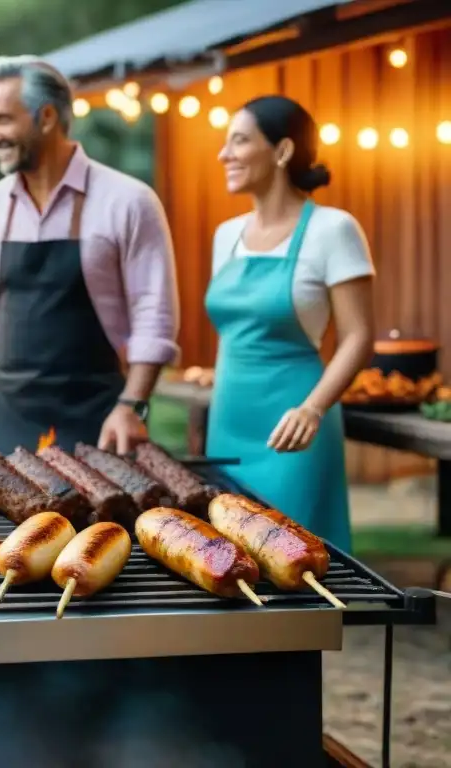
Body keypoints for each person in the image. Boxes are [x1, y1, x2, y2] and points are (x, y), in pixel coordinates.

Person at [0, 55, 180, 456]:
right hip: (9, 422)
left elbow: (154, 317)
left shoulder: (128, 201)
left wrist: (132, 406)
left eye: (3, 120)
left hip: (100, 421)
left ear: (46, 118)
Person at [206, 96, 375, 551]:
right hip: (227, 425)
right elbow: (234, 332)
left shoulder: (333, 230)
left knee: (295, 564)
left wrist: (312, 409)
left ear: (281, 151)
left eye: (239, 141)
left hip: (296, 428)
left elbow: (358, 336)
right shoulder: (227, 235)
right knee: (225, 564)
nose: (225, 154)